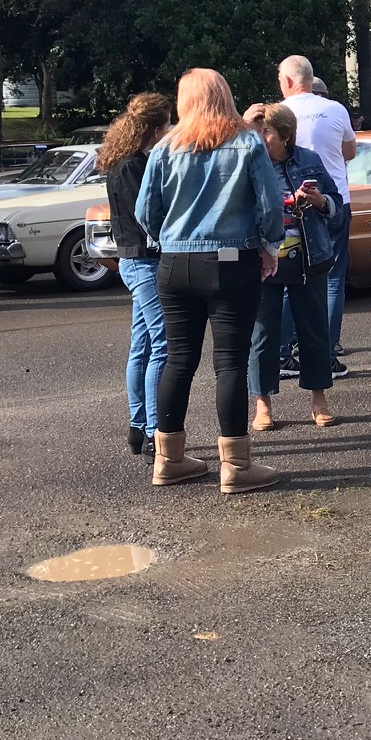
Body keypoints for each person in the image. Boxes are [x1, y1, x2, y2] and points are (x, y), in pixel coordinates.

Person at [135, 68, 286, 494]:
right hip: (231, 261)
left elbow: (145, 211)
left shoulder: (165, 146)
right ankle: (235, 467)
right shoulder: (247, 143)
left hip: (175, 264)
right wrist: (270, 246)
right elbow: (271, 206)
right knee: (230, 362)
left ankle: (168, 461)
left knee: (178, 359)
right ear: (225, 97)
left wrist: (166, 240)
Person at [244, 102, 343, 433]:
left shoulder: (309, 159)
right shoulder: (249, 161)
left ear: (285, 136)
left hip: (308, 257)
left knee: (314, 332)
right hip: (263, 261)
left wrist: (320, 201)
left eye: (267, 132)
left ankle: (319, 400)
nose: (261, 138)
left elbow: (335, 203)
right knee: (262, 336)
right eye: (257, 132)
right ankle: (263, 404)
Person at [101, 93, 172, 458]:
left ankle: (138, 426)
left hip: (136, 259)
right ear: (155, 128)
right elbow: (146, 215)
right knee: (162, 344)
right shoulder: (132, 165)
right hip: (142, 260)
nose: (170, 130)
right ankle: (155, 429)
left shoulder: (126, 160)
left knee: (142, 344)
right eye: (167, 124)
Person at [277, 56, 357, 377]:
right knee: (333, 280)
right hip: (334, 200)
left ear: (287, 81)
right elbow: (349, 152)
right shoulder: (336, 109)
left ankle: (283, 354)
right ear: (311, 80)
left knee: (288, 278)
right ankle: (327, 355)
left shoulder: (278, 114)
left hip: (291, 204)